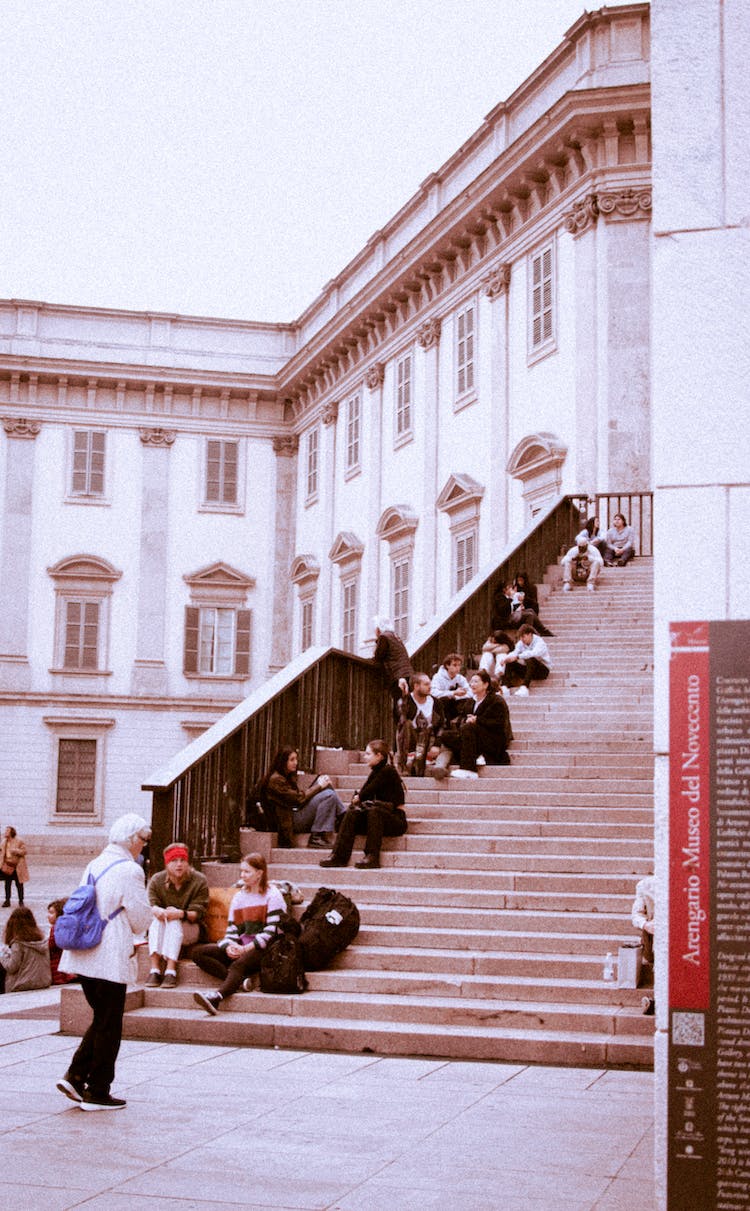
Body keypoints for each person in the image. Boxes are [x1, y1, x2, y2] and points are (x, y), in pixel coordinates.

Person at [56, 813, 152, 1111]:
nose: (144, 846)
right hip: (109, 954)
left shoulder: (95, 863)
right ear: (132, 839)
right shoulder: (130, 870)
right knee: (110, 1024)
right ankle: (98, 1090)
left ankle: (75, 1076)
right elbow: (140, 918)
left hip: (83, 952)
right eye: (144, 840)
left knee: (102, 1018)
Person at [192, 852, 285, 1015]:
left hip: (266, 948)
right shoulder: (239, 897)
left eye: (247, 872)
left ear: (259, 873)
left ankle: (217, 997)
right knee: (198, 953)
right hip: (242, 947)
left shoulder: (273, 895)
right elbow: (232, 930)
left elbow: (272, 931)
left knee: (239, 964)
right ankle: (240, 982)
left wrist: (245, 949)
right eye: (241, 871)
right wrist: (229, 945)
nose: (242, 875)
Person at [320, 739, 407, 871]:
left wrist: (359, 797)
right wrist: (358, 798)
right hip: (377, 818)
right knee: (353, 812)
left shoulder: (387, 771)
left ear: (379, 756)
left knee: (374, 811)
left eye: (368, 754)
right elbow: (360, 796)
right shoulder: (376, 771)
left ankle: (372, 856)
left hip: (396, 820)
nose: (365, 757)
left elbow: (364, 793)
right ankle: (338, 856)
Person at [145, 843, 209, 988]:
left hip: (191, 928)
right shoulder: (157, 880)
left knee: (174, 921)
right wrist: (157, 911)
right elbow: (151, 905)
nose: (179, 865)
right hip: (163, 926)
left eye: (183, 860)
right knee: (156, 921)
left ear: (188, 862)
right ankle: (155, 969)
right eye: (174, 861)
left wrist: (179, 913)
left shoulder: (199, 880)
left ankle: (170, 969)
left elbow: (199, 913)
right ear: (167, 863)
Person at [258, 747, 346, 849]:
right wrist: (319, 786)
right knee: (329, 795)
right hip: (290, 822)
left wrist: (320, 785)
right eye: (292, 760)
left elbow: (298, 798)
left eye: (296, 759)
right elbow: (298, 799)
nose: (296, 762)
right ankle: (316, 836)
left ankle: (343, 818)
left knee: (327, 787)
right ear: (282, 761)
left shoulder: (285, 776)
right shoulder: (275, 780)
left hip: (295, 814)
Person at [439, 669, 512, 777]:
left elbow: (499, 723)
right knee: (446, 736)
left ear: (486, 684)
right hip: (474, 737)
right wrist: (466, 721)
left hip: (493, 738)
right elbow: (461, 722)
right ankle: (479, 755)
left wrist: (477, 720)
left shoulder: (496, 701)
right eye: (471, 682)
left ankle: (469, 769)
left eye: (476, 682)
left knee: (468, 728)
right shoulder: (470, 701)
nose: (472, 684)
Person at [397, 672, 448, 776]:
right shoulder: (406, 701)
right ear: (416, 686)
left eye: (430, 683)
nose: (430, 687)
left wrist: (437, 744)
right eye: (426, 684)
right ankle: (406, 763)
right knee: (407, 724)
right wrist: (404, 697)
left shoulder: (436, 703)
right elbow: (400, 722)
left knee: (424, 732)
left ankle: (417, 764)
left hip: (428, 739)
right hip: (410, 741)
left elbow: (441, 726)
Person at [372, 616, 415, 725]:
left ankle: (401, 737)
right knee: (405, 706)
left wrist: (377, 641)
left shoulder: (384, 637)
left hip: (398, 676)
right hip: (407, 674)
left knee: (399, 708)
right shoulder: (395, 637)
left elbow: (378, 656)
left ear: (378, 628)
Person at [0, 906, 51, 994]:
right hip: (43, 981)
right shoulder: (42, 941)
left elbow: (12, 967)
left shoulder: (18, 943)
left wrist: (2, 956)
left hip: (23, 983)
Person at [501, 623, 553, 697]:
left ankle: (524, 687)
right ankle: (504, 687)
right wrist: (506, 659)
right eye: (520, 637)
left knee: (530, 658)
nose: (522, 639)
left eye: (523, 637)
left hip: (542, 671)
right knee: (510, 662)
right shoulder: (521, 643)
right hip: (530, 670)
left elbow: (534, 653)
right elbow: (515, 652)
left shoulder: (540, 642)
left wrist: (517, 657)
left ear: (530, 634)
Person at [631, 874, 655, 1014]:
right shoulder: (645, 886)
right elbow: (636, 916)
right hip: (653, 939)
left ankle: (656, 1000)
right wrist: (646, 924)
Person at [430, 653, 474, 725]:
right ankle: (443, 724)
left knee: (470, 701)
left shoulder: (459, 678)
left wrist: (456, 696)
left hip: (455, 704)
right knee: (444, 700)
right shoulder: (438, 677)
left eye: (459, 665)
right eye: (454, 665)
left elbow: (471, 691)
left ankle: (461, 723)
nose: (458, 668)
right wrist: (453, 693)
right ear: (447, 666)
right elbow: (434, 693)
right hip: (440, 706)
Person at [512, 572, 554, 636]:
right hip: (518, 611)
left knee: (531, 611)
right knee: (530, 613)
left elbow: (534, 602)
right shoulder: (516, 589)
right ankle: (541, 631)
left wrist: (524, 599)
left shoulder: (531, 588)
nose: (520, 582)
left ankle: (543, 630)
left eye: (521, 580)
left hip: (529, 607)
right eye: (518, 581)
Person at [47, 899, 76, 986]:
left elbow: (50, 946)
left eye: (51, 913)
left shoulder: (56, 929)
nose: (48, 916)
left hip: (58, 972)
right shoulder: (67, 928)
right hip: (66, 971)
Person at [1, 826, 28, 907]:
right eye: (5, 831)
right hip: (7, 866)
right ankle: (7, 900)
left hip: (17, 866)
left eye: (7, 831)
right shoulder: (4, 841)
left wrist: (15, 851)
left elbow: (24, 851)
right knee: (7, 884)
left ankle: (21, 901)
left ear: (11, 832)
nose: (5, 832)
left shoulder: (19, 841)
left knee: (19, 884)